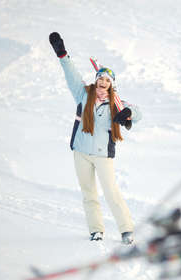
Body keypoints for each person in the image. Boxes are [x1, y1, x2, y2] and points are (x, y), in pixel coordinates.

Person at [49, 32, 141, 244]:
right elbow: (71, 75)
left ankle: (126, 230)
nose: (102, 81)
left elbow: (139, 113)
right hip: (80, 151)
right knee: (88, 193)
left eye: (107, 80)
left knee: (111, 192)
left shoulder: (117, 105)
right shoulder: (83, 94)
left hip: (102, 155)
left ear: (111, 85)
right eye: (100, 78)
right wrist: (62, 54)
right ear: (96, 80)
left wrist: (129, 114)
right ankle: (96, 230)